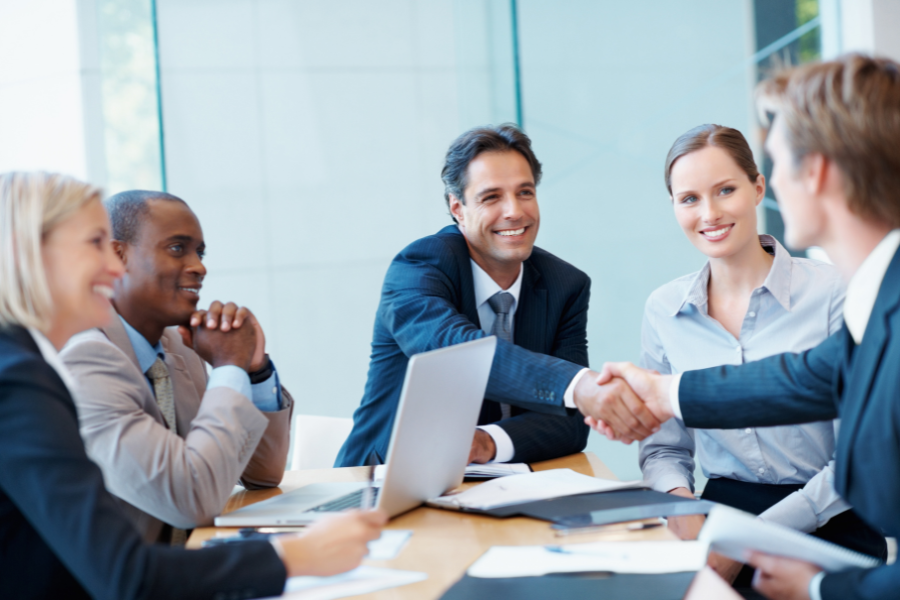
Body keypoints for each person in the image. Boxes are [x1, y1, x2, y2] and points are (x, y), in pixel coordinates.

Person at [587, 54, 900, 600]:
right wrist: (659, 394)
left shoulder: (853, 295)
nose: (774, 180)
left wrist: (824, 586)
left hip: (831, 538)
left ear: (816, 171)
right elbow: (801, 380)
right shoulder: (876, 302)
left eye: (775, 163)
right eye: (688, 198)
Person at [0, 171, 385, 599]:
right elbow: (132, 568)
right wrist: (293, 557)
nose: (112, 266)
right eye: (95, 244)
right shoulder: (22, 379)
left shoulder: (171, 348)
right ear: (27, 252)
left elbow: (257, 471)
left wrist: (251, 370)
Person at [638, 124, 885, 590]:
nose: (708, 213)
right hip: (716, 516)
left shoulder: (834, 291)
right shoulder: (663, 309)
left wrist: (747, 542)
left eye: (725, 190)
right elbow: (664, 444)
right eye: (688, 198)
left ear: (757, 188)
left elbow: (856, 453)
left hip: (831, 517)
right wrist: (679, 505)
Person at [336, 124, 642, 468]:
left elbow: (569, 423)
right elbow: (458, 353)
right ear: (458, 209)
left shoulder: (566, 285)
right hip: (382, 485)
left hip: (504, 490)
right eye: (491, 197)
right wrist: (582, 386)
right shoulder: (419, 267)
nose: (514, 211)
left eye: (525, 192)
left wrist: (486, 443)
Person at [59, 190, 292, 544]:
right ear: (116, 256)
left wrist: (253, 370)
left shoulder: (181, 348)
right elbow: (190, 502)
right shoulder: (85, 360)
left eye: (200, 252)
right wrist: (229, 367)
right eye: (177, 248)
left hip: (192, 563)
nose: (200, 266)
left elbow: (262, 474)